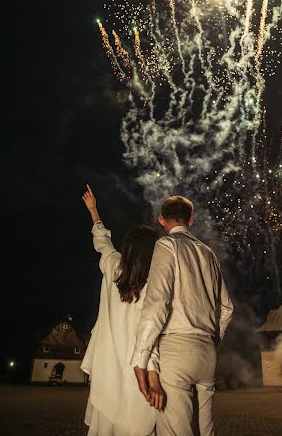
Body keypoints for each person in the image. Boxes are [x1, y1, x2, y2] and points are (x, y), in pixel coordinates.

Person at [132, 195, 234, 436]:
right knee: (205, 430)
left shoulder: (166, 245)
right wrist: (212, 339)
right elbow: (228, 308)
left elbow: (157, 302)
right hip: (207, 351)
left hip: (176, 349)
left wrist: (141, 357)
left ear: (161, 219)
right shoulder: (209, 254)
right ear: (191, 219)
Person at [81, 185, 165, 436]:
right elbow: (148, 333)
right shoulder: (154, 284)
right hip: (135, 370)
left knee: (105, 424)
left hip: (107, 366)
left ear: (127, 248)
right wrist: (154, 377)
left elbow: (102, 241)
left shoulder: (113, 267)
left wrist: (94, 210)